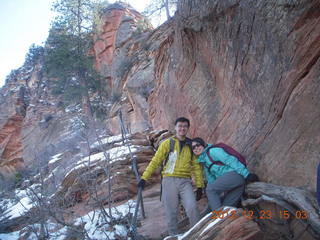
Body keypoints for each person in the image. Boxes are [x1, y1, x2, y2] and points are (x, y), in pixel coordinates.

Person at [138, 117, 204, 236]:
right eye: (180, 126)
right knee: (171, 212)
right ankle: (174, 236)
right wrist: (144, 178)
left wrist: (199, 186)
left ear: (188, 128)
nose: (182, 128)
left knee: (192, 207)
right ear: (175, 128)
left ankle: (199, 234)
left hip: (185, 181)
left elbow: (196, 167)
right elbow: (156, 161)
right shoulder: (168, 143)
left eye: (185, 126)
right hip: (169, 181)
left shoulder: (191, 144)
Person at [191, 137, 258, 211]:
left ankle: (218, 218)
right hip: (235, 185)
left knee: (210, 190)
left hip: (235, 175)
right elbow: (211, 181)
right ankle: (226, 220)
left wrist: (246, 174)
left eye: (198, 145)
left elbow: (230, 160)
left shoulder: (213, 151)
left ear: (203, 144)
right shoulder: (204, 162)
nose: (196, 148)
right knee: (226, 207)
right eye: (193, 148)